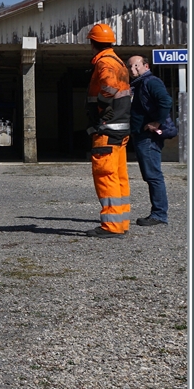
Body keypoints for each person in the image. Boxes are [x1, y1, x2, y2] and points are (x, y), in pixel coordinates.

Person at [84, 23, 132, 238]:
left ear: (93, 43)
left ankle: (111, 226)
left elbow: (110, 87)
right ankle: (121, 222)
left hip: (107, 130)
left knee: (106, 176)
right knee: (120, 176)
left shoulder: (105, 63)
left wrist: (104, 105)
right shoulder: (119, 62)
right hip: (121, 129)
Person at [128, 55, 171, 226]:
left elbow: (166, 101)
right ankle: (158, 213)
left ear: (146, 65)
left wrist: (156, 122)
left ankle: (159, 214)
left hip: (148, 137)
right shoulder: (138, 84)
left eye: (136, 66)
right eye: (129, 67)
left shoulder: (151, 82)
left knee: (153, 175)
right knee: (151, 175)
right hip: (141, 136)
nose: (132, 70)